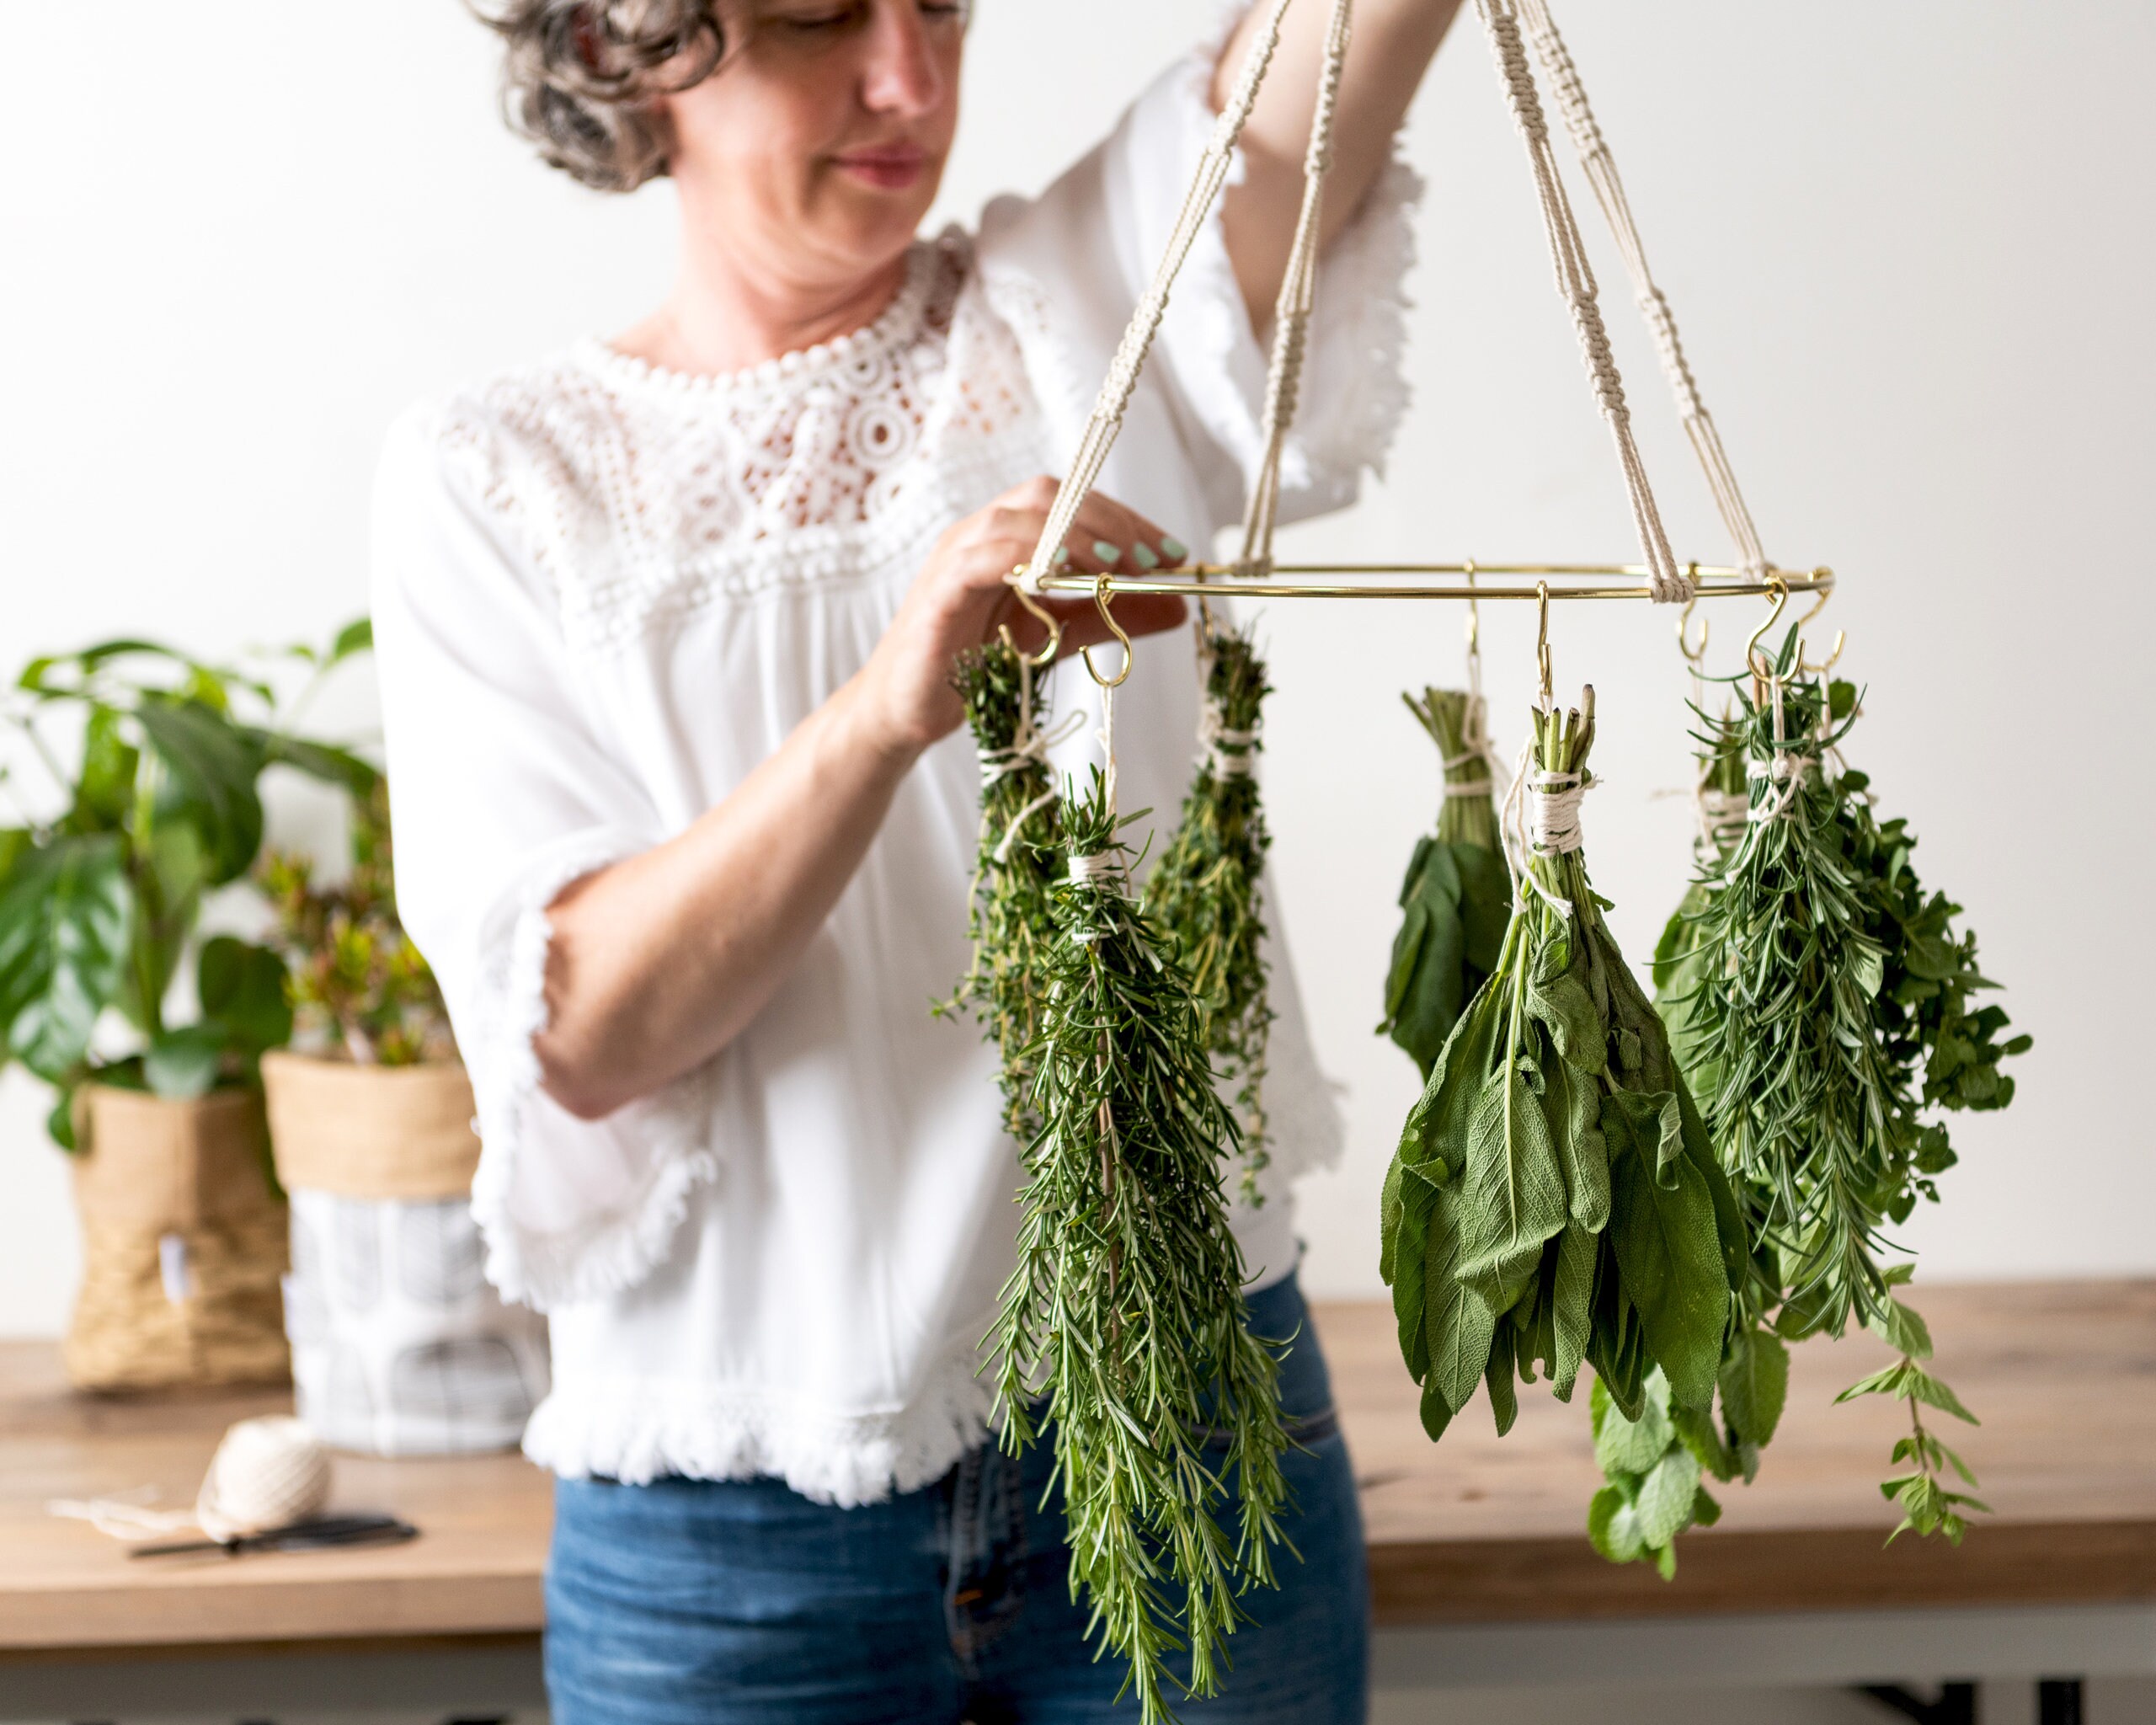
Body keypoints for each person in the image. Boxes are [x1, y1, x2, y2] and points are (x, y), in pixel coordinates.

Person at [372, 2, 1460, 1719]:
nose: (911, 79)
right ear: (620, 38)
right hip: (730, 1532)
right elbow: (580, 1026)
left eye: (939, 5)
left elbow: (1322, 70)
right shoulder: (500, 481)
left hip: (1180, 1432)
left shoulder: (1080, 308)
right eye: (822, 14)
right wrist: (883, 712)